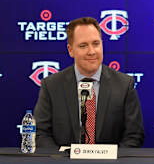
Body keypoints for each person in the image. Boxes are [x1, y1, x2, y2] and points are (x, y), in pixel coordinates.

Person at [34, 17, 144, 147]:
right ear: (70, 50)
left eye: (96, 44)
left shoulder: (124, 85)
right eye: (83, 45)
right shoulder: (51, 85)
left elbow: (134, 135)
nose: (91, 51)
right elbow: (41, 133)